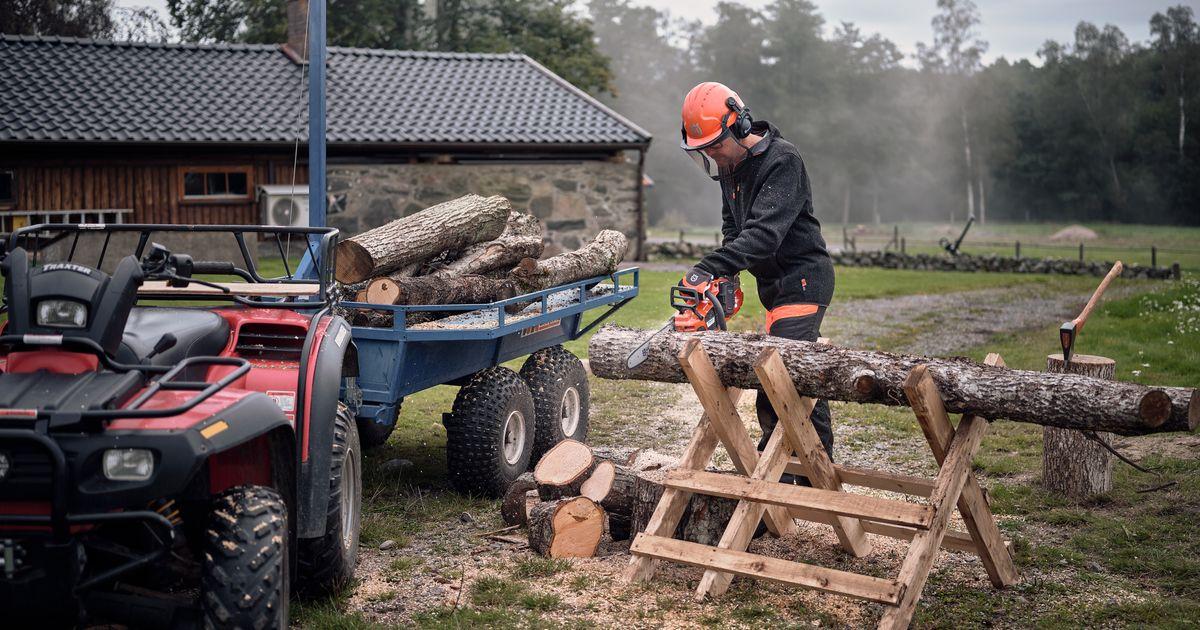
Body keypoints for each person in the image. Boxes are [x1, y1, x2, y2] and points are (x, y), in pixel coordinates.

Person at [678, 81, 836, 467]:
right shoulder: (730, 168)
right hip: (774, 286)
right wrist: (725, 279)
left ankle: (783, 470)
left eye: (715, 145)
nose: (712, 155)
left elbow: (763, 237)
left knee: (779, 379)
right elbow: (734, 229)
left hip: (802, 280)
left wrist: (708, 269)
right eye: (704, 150)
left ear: (741, 125)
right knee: (796, 375)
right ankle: (812, 467)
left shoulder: (783, 161)